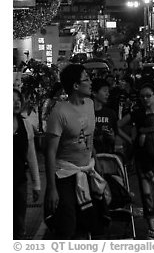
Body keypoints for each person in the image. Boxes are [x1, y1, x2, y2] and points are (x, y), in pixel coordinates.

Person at [44, 64, 109, 239]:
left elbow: (89, 137)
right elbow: (49, 152)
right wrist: (51, 188)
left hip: (88, 171)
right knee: (67, 226)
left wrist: (96, 161)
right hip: (65, 175)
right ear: (75, 86)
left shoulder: (89, 104)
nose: (90, 82)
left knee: (92, 222)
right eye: (86, 79)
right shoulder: (59, 112)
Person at [117, 83, 154, 240]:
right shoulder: (136, 113)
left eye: (148, 95)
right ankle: (151, 228)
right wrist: (132, 141)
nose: (145, 99)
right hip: (143, 160)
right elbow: (118, 126)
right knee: (147, 195)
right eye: (142, 96)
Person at [13, 88, 41, 239]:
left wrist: (36, 185)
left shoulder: (26, 125)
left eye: (18, 99)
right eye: (12, 100)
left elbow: (31, 156)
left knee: (19, 224)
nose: (16, 103)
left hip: (19, 182)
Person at [92, 78, 118, 154]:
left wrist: (112, 137)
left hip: (106, 156)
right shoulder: (86, 113)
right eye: (105, 91)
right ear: (94, 93)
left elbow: (115, 138)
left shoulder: (111, 113)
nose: (108, 94)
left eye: (108, 91)